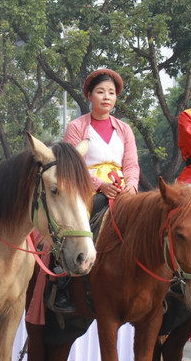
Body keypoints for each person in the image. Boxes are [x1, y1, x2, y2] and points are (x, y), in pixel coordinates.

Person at [58, 67, 139, 312]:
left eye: (111, 93)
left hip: (121, 188)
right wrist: (99, 185)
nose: (106, 97)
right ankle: (61, 282)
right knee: (72, 224)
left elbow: (132, 163)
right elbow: (73, 164)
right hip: (86, 187)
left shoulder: (124, 129)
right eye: (100, 92)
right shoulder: (76, 127)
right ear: (89, 95)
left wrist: (132, 187)